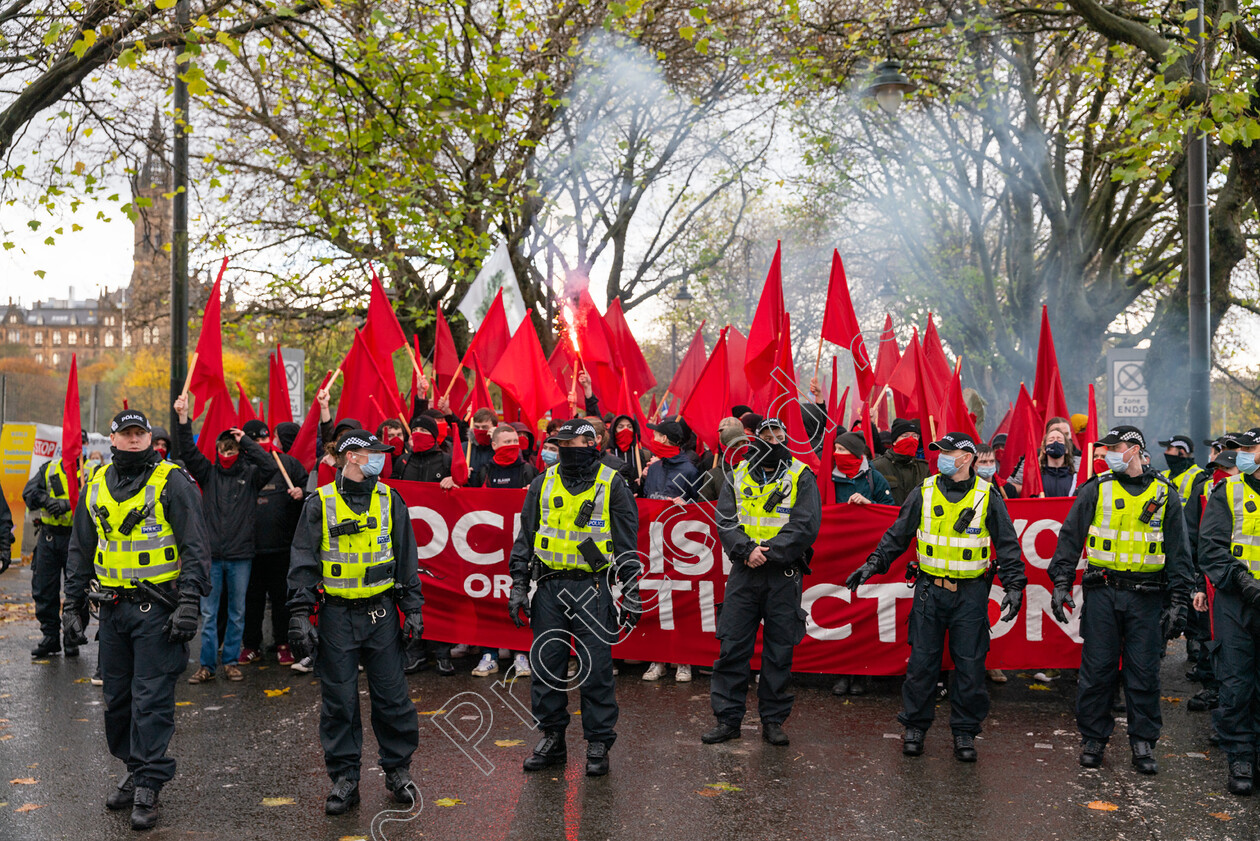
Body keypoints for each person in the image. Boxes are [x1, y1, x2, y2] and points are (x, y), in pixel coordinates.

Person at [61, 409, 211, 830]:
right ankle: (134, 766)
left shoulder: (173, 481)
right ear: (112, 439)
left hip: (158, 610)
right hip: (111, 611)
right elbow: (80, 549)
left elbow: (196, 546)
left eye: (139, 433)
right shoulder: (94, 484)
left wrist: (189, 602)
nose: (132, 440)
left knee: (151, 699)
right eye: (125, 434)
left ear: (148, 438)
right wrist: (71, 604)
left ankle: (149, 782)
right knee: (118, 701)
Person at [847, 432, 1025, 762]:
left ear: (967, 458)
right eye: (939, 451)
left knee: (970, 668)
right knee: (922, 665)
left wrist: (1014, 585)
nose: (940, 456)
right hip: (930, 591)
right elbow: (896, 536)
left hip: (970, 595)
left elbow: (1009, 545)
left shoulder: (988, 496)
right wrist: (872, 564)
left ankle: (964, 733)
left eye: (948, 451)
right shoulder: (924, 492)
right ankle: (914, 727)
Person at [287, 429, 424, 814]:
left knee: (393, 698)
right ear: (351, 457)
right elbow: (302, 560)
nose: (381, 459)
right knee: (339, 702)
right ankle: (345, 778)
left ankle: (398, 771)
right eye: (373, 453)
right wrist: (300, 613)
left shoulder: (389, 499)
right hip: (337, 616)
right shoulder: (321, 502)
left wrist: (412, 607)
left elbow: (406, 556)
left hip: (380, 614)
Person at [1047, 425, 1193, 774]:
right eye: (1107, 447)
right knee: (1097, 672)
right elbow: (1070, 539)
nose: (1110, 452)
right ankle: (1093, 739)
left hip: (1147, 597)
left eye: (1116, 447)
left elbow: (1179, 551)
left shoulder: (1165, 493)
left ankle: (1143, 742)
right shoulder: (1096, 489)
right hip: (1102, 593)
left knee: (1143, 674)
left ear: (1135, 450)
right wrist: (1061, 582)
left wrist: (1180, 601)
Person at [508, 419, 640, 777]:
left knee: (596, 669)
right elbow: (526, 537)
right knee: (546, 668)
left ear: (592, 442)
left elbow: (629, 544)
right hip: (549, 589)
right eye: (560, 444)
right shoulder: (542, 482)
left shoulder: (613, 484)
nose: (566, 450)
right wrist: (519, 584)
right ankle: (552, 738)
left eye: (573, 443)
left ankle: (598, 742)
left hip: (592, 589)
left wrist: (631, 592)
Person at [702, 416, 821, 748]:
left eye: (777, 434)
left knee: (779, 651)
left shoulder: (801, 474)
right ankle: (728, 720)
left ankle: (772, 720)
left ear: (786, 437)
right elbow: (725, 519)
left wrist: (770, 552)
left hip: (783, 574)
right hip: (744, 572)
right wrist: (746, 550)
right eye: (764, 435)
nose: (771, 439)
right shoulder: (736, 475)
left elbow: (806, 524)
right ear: (752, 439)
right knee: (732, 648)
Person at [175, 394, 276, 684]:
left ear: (240, 451)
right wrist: (183, 419)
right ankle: (207, 665)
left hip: (241, 557)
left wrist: (246, 440)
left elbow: (268, 464)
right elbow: (187, 451)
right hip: (213, 557)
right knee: (208, 615)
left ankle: (231, 661)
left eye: (231, 448)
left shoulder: (252, 475)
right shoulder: (208, 474)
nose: (226, 452)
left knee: (237, 613)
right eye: (222, 448)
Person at [1199, 428, 1260, 795]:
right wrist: (1242, 581)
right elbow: (1210, 549)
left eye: (1250, 448)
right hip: (1237, 602)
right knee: (1236, 683)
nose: (1242, 454)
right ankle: (1240, 755)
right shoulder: (1229, 491)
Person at [468, 423, 536, 678]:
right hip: (488, 549)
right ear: (493, 444)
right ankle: (489, 654)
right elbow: (469, 501)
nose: (511, 446)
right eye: (505, 442)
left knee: (518, 597)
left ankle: (521, 654)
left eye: (514, 442)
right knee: (488, 600)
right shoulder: (484, 471)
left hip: (518, 548)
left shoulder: (529, 470)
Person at [829, 431, 893, 698]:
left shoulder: (873, 476)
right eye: (835, 449)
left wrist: (870, 505)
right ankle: (841, 671)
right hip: (837, 555)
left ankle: (861, 673)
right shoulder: (828, 478)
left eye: (843, 450)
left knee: (864, 613)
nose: (837, 454)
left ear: (857, 454)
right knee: (838, 614)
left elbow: (890, 511)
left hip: (866, 557)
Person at [240, 420, 308, 666]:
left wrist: (301, 493)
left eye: (264, 438)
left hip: (282, 547)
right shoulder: (242, 468)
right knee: (252, 599)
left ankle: (283, 643)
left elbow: (310, 490)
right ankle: (250, 645)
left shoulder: (287, 463)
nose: (261, 444)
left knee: (282, 599)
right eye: (254, 440)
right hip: (249, 549)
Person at [640, 416, 702, 683]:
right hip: (652, 545)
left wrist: (686, 502)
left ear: (664, 439)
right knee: (656, 601)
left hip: (680, 547)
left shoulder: (689, 469)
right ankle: (658, 659)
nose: (652, 439)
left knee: (679, 603)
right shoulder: (652, 469)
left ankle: (683, 661)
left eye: (656, 435)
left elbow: (700, 506)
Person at [21, 430, 93, 657]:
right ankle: (50, 636)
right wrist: (46, 500)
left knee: (78, 591)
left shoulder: (93, 471)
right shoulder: (49, 468)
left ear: (86, 444)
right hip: (50, 539)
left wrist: (69, 505)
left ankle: (72, 636)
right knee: (44, 589)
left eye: (80, 442)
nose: (76, 446)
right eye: (72, 442)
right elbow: (29, 492)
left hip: (78, 539)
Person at [870, 418, 930, 505]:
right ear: (894, 441)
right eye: (905, 436)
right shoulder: (877, 467)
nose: (911, 440)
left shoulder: (924, 468)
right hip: (890, 517)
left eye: (915, 436)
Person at [1159, 434, 1205, 500]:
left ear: (1181, 452)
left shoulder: (1197, 477)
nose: (1165, 452)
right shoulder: (1162, 475)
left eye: (1169, 449)